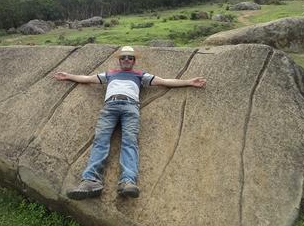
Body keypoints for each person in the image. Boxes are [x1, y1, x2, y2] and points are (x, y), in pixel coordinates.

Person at [54, 46, 206, 200]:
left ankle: (127, 182)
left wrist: (189, 82)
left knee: (130, 142)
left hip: (130, 107)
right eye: (123, 57)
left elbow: (165, 81)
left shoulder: (140, 75)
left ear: (134, 61)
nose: (126, 59)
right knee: (100, 140)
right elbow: (87, 79)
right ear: (119, 60)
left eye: (130, 57)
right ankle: (91, 181)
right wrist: (68, 76)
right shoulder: (110, 74)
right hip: (110, 106)